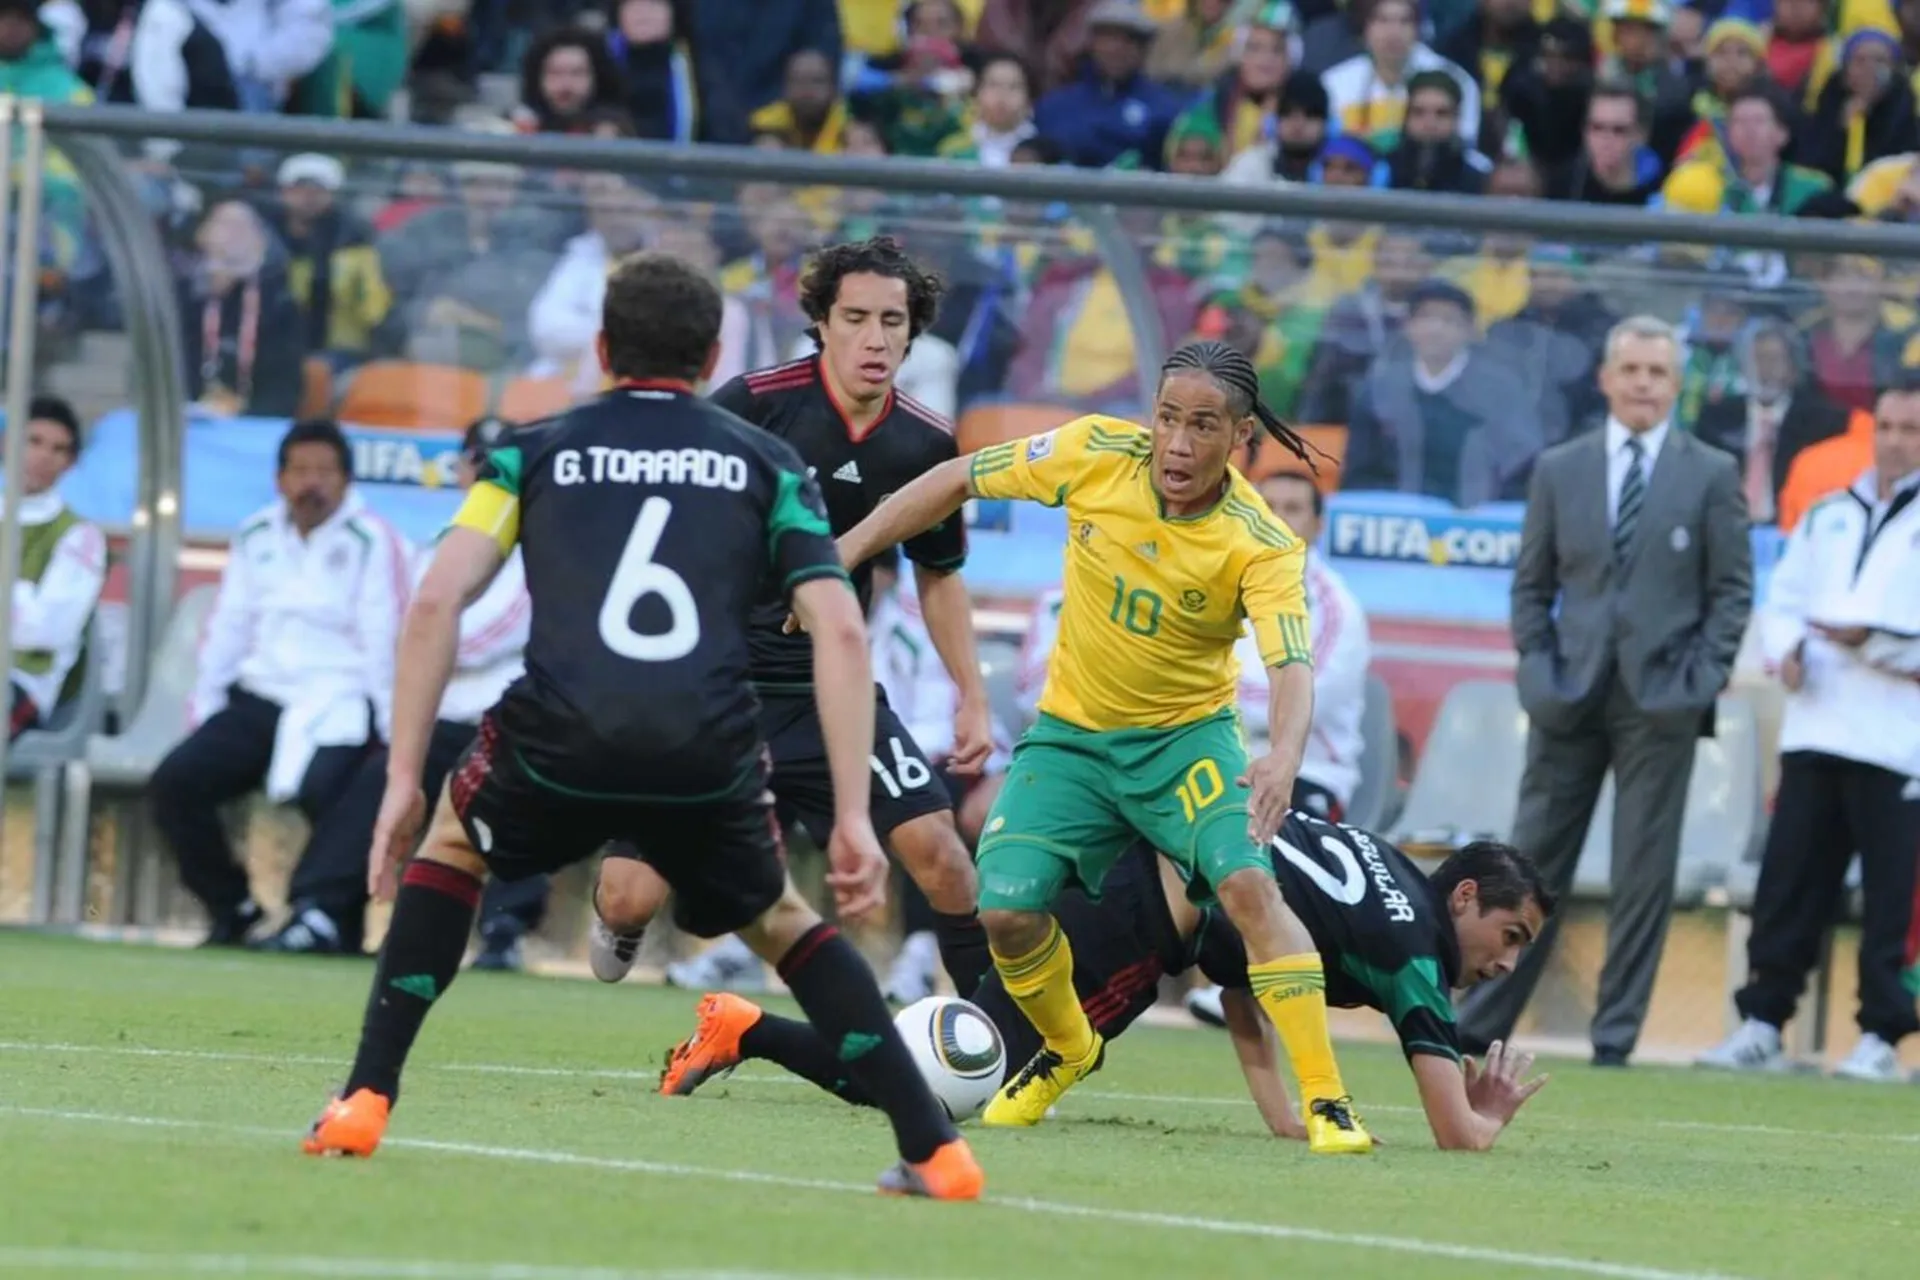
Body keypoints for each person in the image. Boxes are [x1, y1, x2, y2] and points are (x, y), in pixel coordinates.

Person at [301, 251, 984, 1202]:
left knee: (453, 849)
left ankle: (366, 1097)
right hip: (710, 736)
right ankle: (938, 1152)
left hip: (561, 729)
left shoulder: (531, 449)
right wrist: (855, 821)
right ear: (712, 357)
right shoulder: (765, 458)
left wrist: (405, 778)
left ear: (599, 347)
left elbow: (436, 602)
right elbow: (837, 622)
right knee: (786, 919)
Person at [823, 339, 1375, 1154]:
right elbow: (954, 479)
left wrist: (1283, 756)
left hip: (1186, 746)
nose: (1178, 444)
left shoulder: (1261, 541)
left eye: (1203, 427)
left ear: (1240, 437)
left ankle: (1329, 1102)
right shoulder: (1092, 452)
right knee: (1005, 911)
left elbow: (1291, 667)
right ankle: (1068, 1047)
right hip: (1072, 743)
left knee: (1249, 888)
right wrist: (841, 554)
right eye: (1167, 419)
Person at [588, 237, 992, 1005]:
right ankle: (629, 912)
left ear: (915, 333)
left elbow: (938, 575)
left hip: (824, 693)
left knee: (942, 856)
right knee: (626, 899)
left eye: (893, 322)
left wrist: (970, 691)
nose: (876, 339)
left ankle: (998, 1039)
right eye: (857, 318)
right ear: (822, 321)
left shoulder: (925, 443)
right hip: (714, 686)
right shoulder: (754, 405)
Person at [662, 824, 1554, 1153]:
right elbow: (1455, 1132)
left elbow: (1256, 960)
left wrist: (1278, 1108)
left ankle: (946, 887)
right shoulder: (1417, 951)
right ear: (1464, 897)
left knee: (978, 1015)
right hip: (1127, 926)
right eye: (1509, 937)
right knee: (947, 1081)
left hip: (1116, 870)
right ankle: (745, 1028)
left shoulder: (1380, 858)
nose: (1505, 963)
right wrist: (1491, 1110)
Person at [1460, 315, 1754, 1068]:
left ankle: (1614, 1042)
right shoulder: (1561, 467)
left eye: (1658, 372)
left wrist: (1698, 682)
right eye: (1631, 370)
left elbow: (1731, 594)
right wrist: (1539, 669)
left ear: (1676, 382)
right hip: (1567, 694)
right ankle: (1476, 1028)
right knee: (1524, 872)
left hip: (1663, 702)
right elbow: (1532, 586)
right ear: (1607, 378)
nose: (1644, 384)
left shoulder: (1711, 472)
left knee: (1643, 877)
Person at [254, 417, 549, 965]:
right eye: (476, 463)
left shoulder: (544, 545)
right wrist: (421, 645)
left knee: (516, 785)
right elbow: (401, 624)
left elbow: (491, 631)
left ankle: (505, 931)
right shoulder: (438, 545)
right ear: (461, 471)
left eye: (496, 465)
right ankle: (321, 909)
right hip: (441, 714)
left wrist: (429, 642)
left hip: (506, 714)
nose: (484, 474)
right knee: (377, 780)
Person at [1699, 378, 1920, 1081]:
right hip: (1815, 725)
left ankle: (1879, 1037)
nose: (1894, 440)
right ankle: (1763, 1021)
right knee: (1790, 884)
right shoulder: (1828, 512)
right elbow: (1785, 601)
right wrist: (1788, 651)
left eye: (1910, 430)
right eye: (1887, 425)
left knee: (1893, 897)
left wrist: (1873, 642)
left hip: (1899, 739)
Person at [151, 419, 411, 947]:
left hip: (340, 700)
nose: (311, 483)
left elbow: (386, 642)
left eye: (324, 471)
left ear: (346, 481)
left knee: (334, 792)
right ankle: (233, 907)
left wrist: (391, 729)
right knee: (177, 781)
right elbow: (230, 626)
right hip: (262, 697)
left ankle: (328, 920)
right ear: (279, 479)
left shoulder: (374, 541)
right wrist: (208, 705)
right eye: (300, 470)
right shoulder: (255, 535)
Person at [6, 396, 106, 739]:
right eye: (33, 441)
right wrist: (25, 595)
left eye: (58, 449)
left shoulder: (79, 535)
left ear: (71, 462)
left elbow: (46, 630)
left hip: (23, 682)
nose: (42, 457)